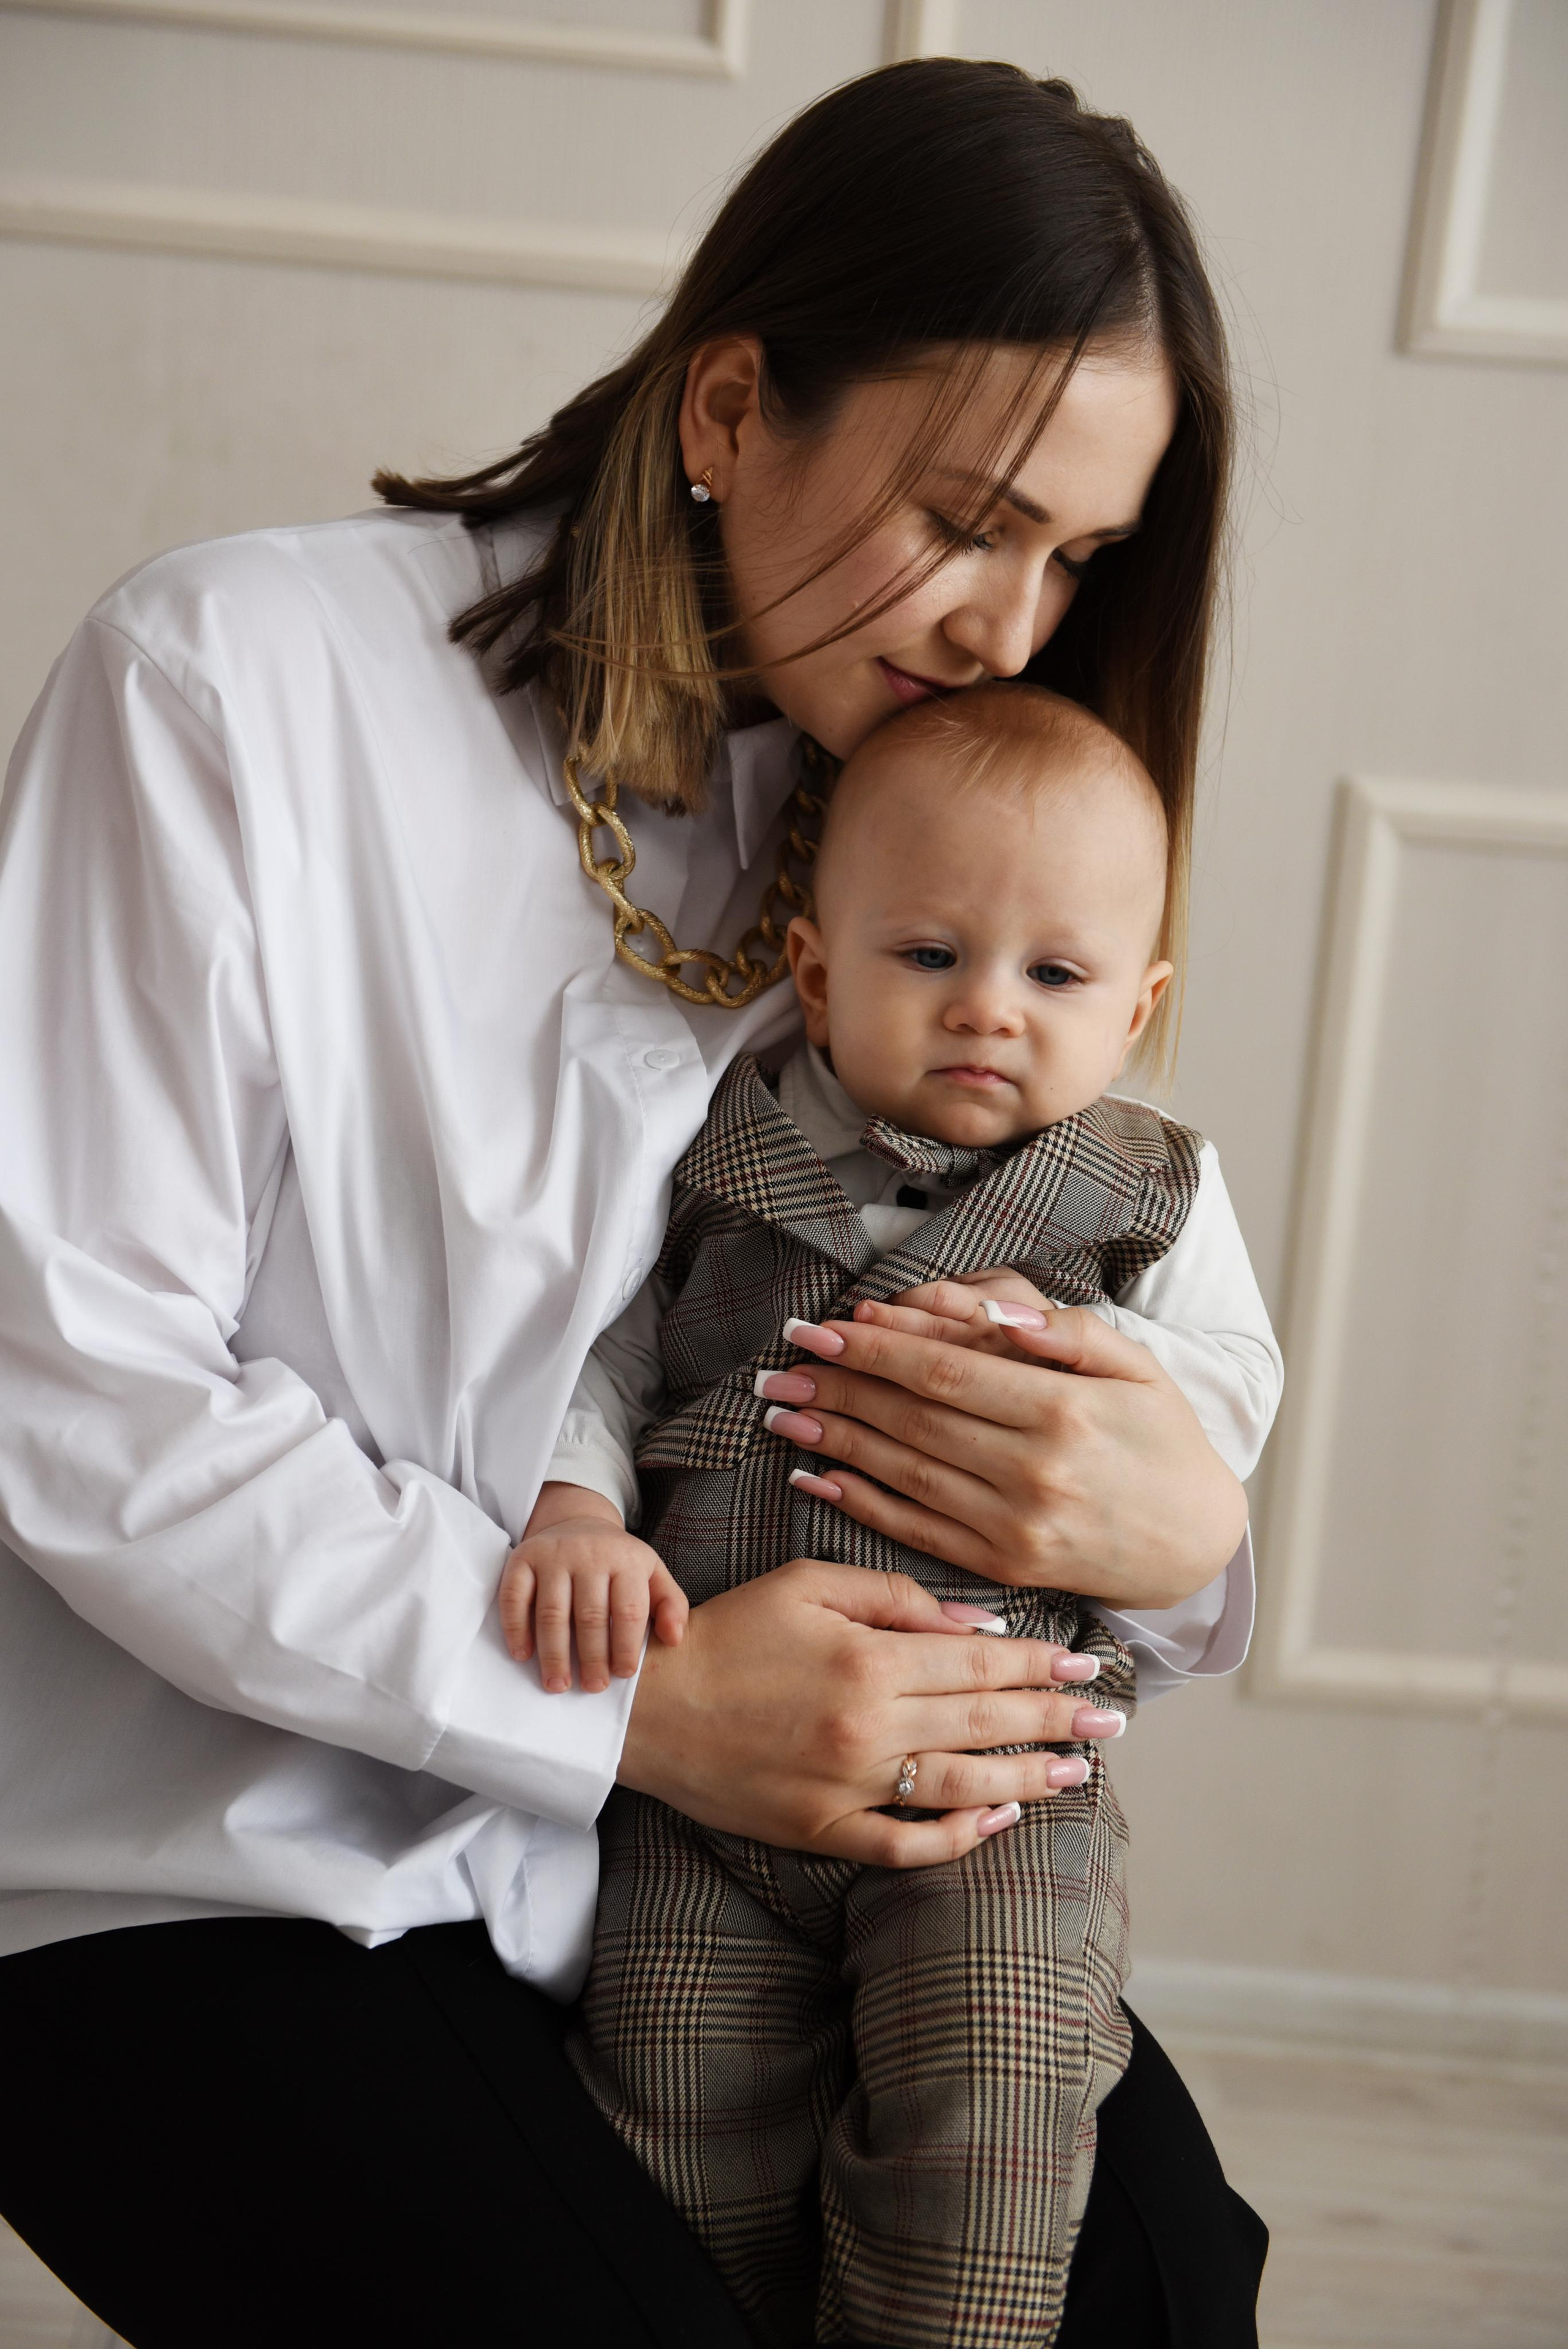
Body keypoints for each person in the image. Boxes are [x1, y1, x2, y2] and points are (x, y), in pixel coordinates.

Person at [0, 56, 1268, 2349]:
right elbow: (76, 1389)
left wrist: (1181, 1534)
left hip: (734, 1868)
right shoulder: (232, 684)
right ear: (730, 404)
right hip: (207, 1864)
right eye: (970, 519)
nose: (1014, 625)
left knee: (1158, 2283)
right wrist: (640, 1712)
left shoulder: (939, 822)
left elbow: (1106, 1313)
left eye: (1079, 560)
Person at [506, 682, 1280, 2348]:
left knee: (992, 2103)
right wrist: (575, 1504)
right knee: (672, 2128)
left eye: (1055, 976)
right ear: (814, 968)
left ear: (1139, 1002)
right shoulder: (715, 1152)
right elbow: (609, 1354)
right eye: (929, 954)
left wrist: (1091, 1359)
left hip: (998, 1779)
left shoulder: (1152, 1187)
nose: (987, 1006)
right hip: (703, 1784)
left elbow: (1229, 1401)